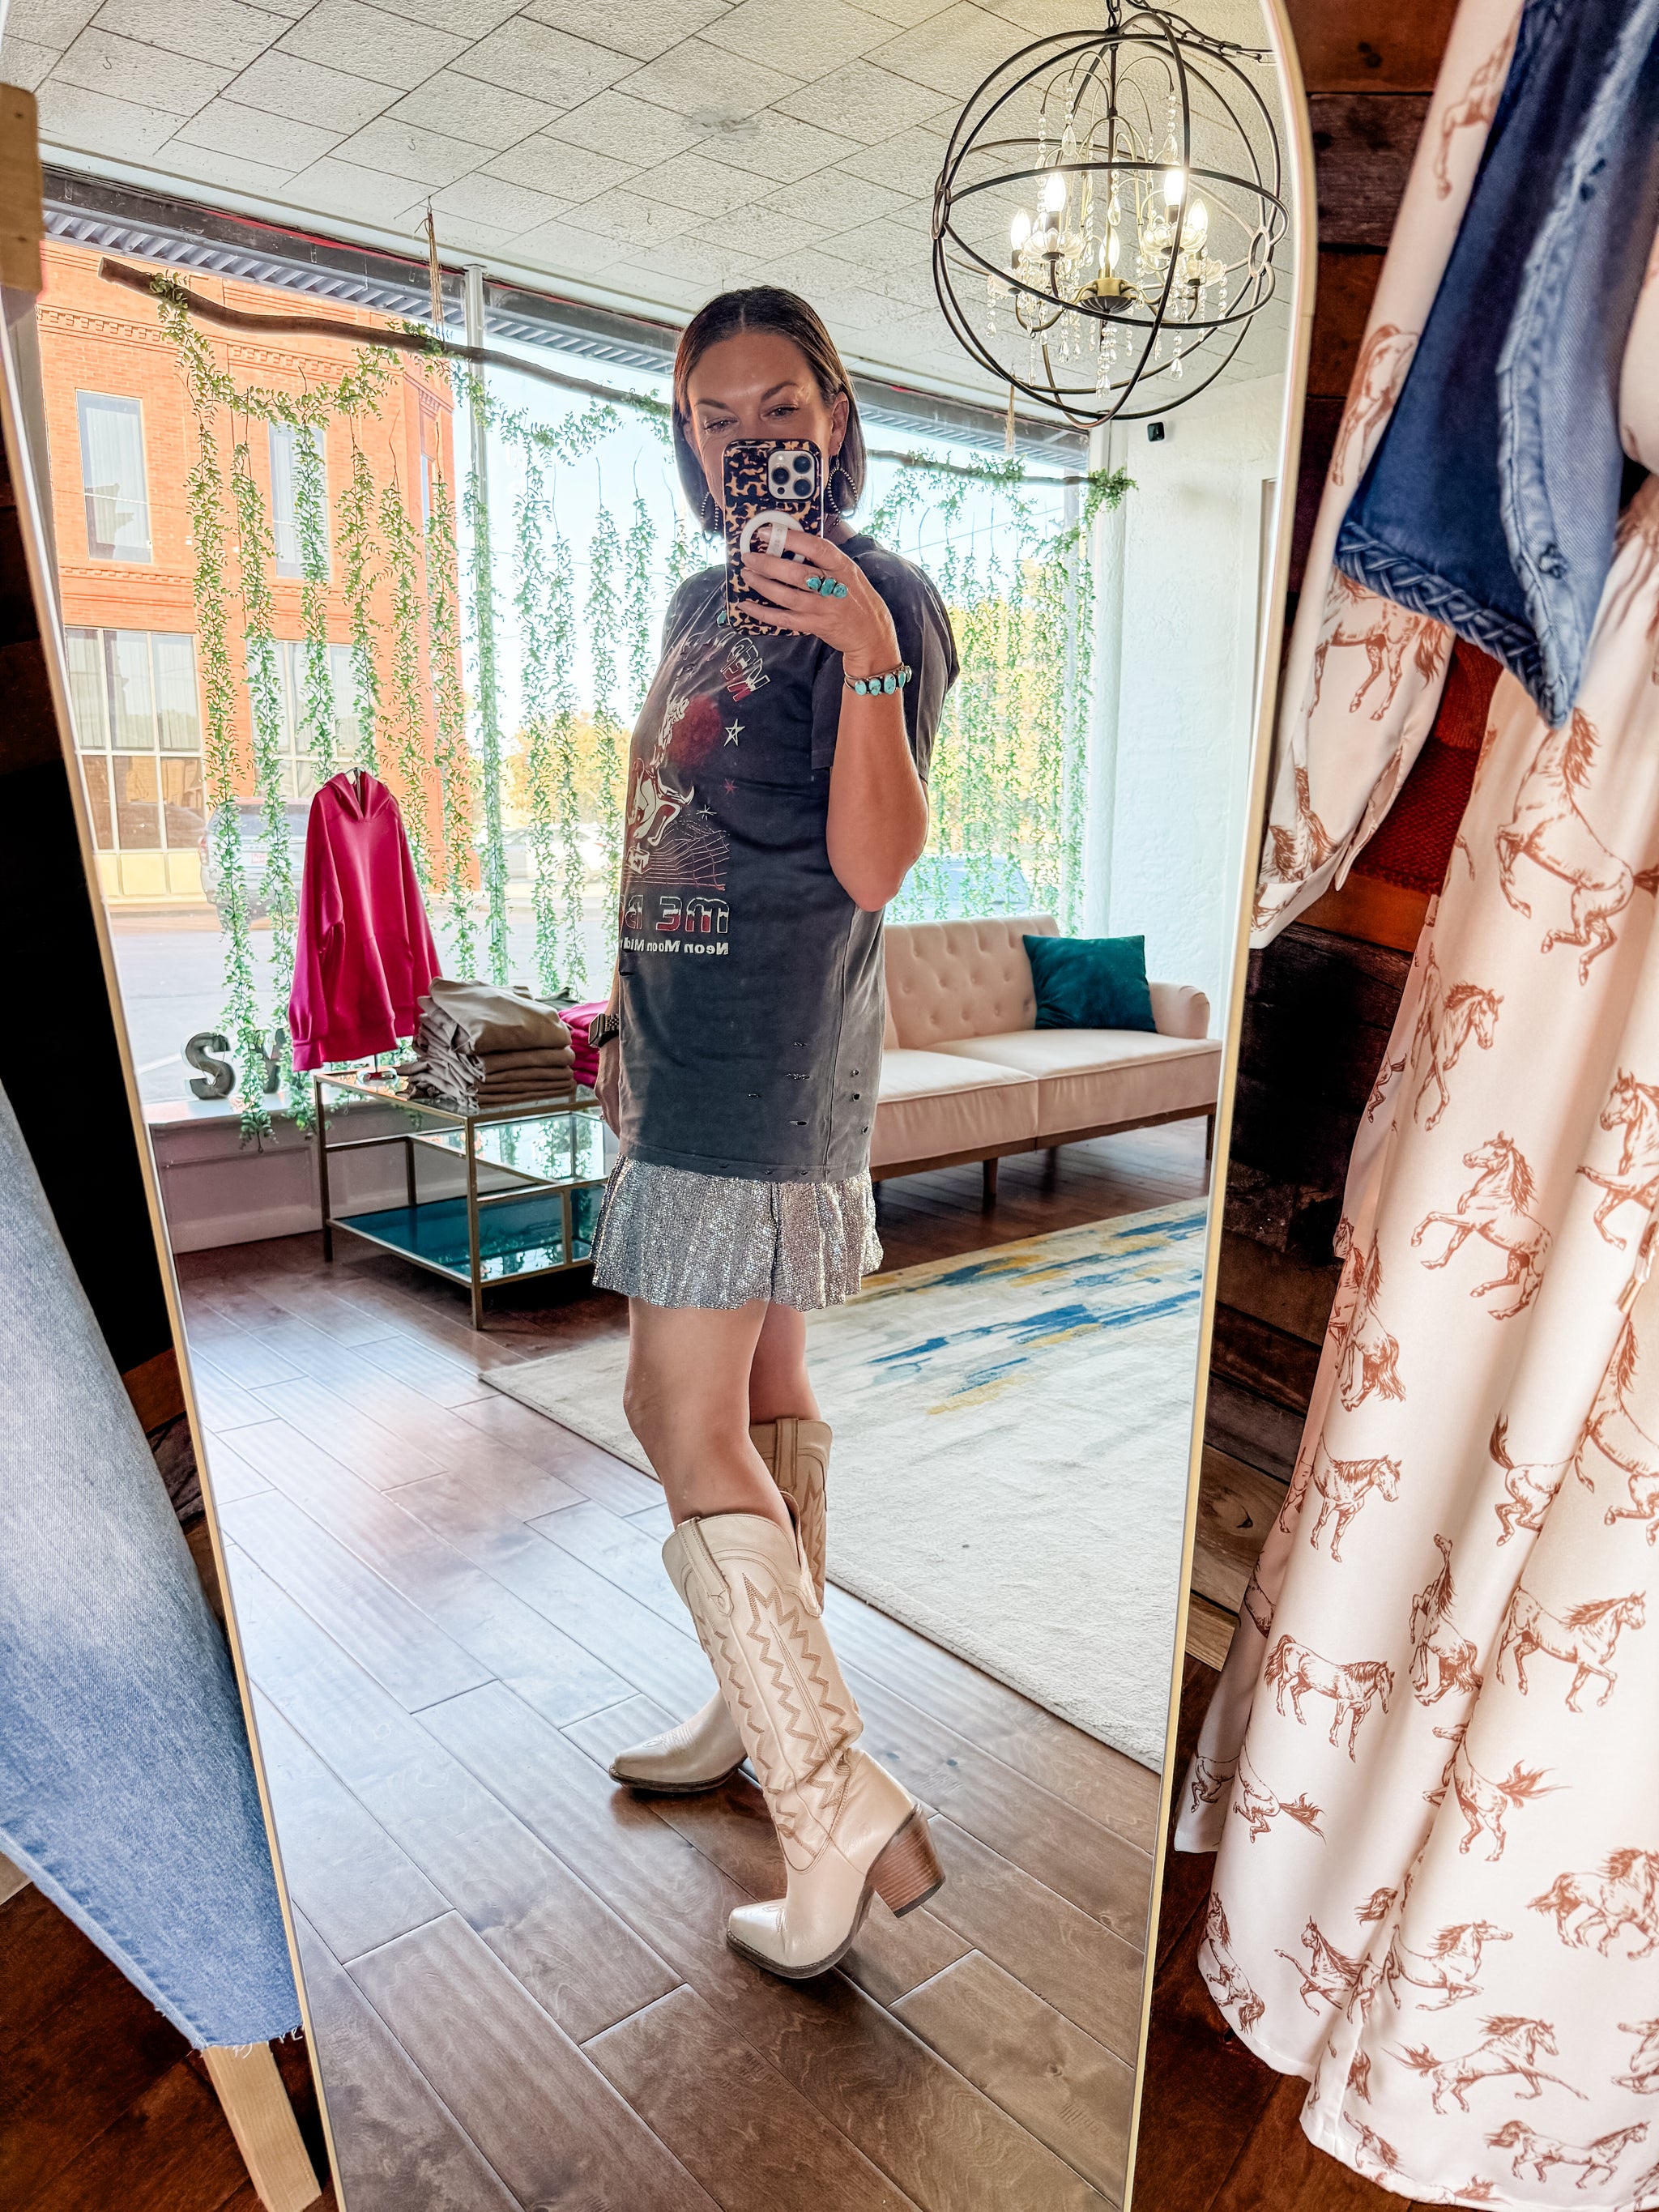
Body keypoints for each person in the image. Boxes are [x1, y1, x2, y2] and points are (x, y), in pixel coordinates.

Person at [586, 286, 958, 1980]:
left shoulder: (888, 603)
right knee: (763, 1388)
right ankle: (759, 1705)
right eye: (714, 418)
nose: (749, 441)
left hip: (762, 1054)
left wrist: (864, 647)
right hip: (681, 1038)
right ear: (690, 440)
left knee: (672, 1410)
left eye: (779, 409)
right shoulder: (694, 601)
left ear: (835, 416)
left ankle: (830, 1800)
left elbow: (874, 865)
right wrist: (620, 1010)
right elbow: (675, 824)